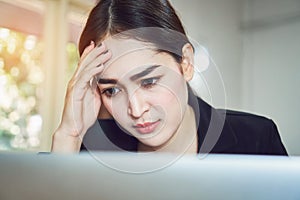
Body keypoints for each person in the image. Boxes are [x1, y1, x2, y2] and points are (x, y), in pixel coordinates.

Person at [51, 0, 287, 156]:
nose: (135, 109)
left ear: (185, 63)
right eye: (112, 90)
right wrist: (68, 136)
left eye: (149, 81)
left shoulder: (256, 139)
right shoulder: (94, 151)